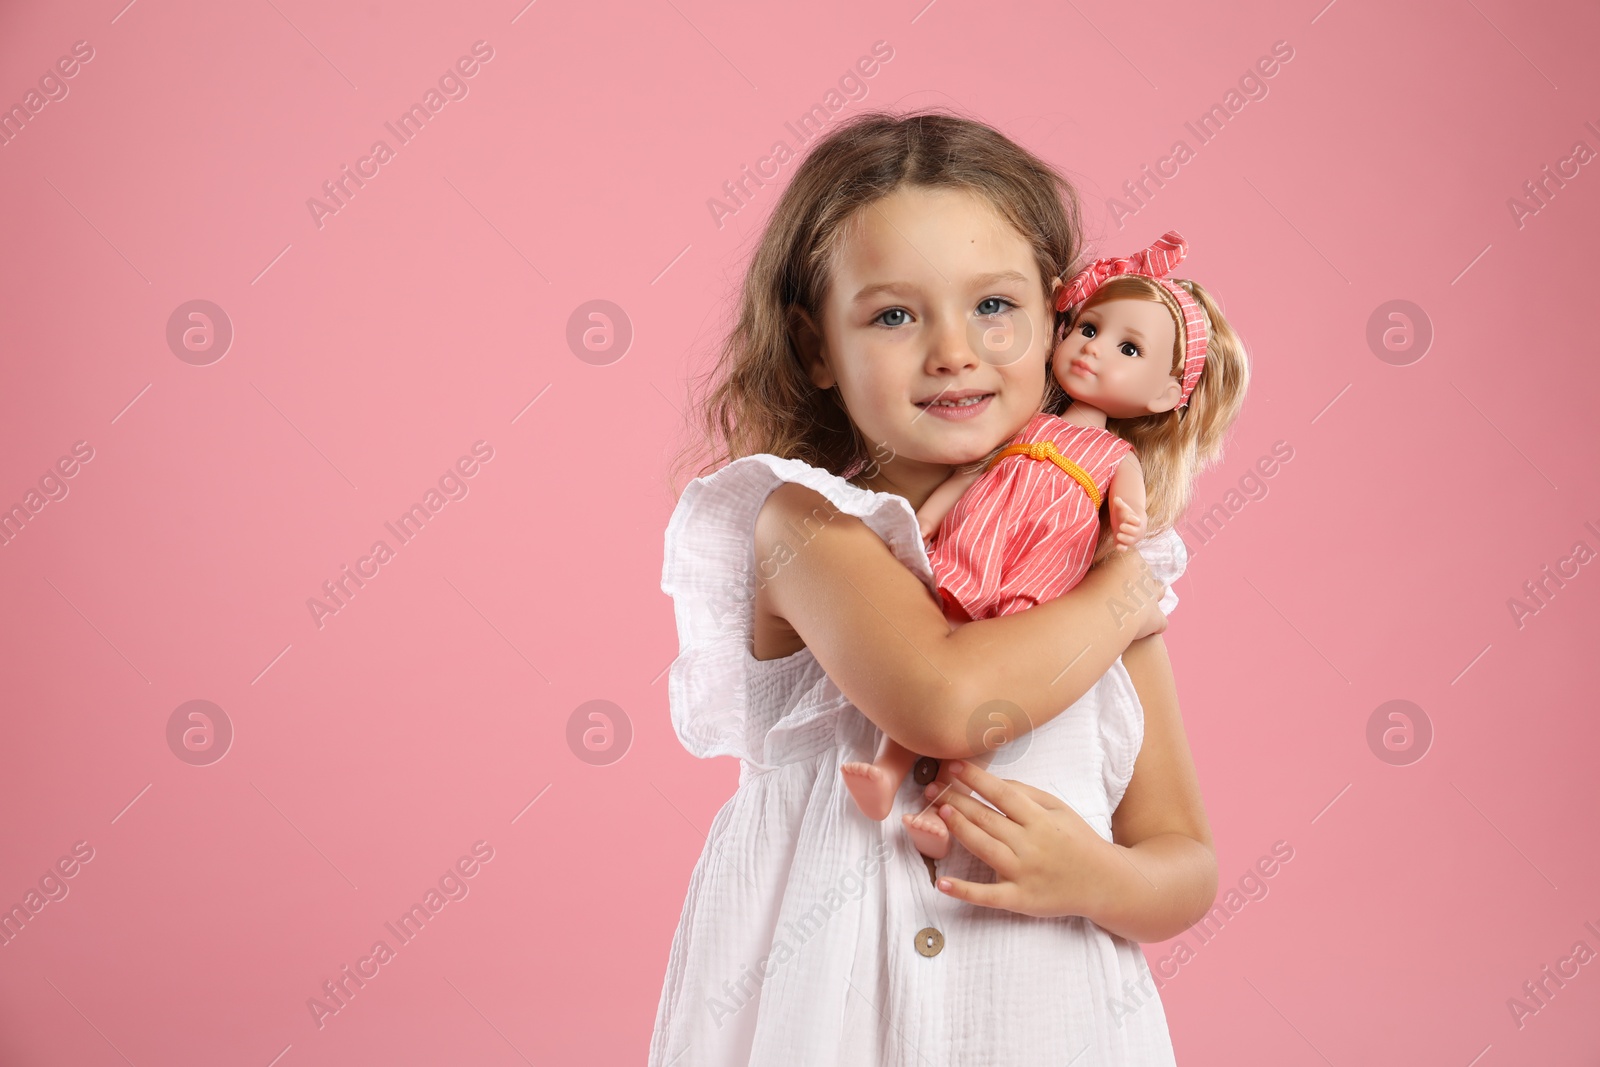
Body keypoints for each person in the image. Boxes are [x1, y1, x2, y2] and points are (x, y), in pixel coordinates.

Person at [653, 110, 1218, 1066]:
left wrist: (1094, 878)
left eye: (994, 307)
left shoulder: (1094, 568)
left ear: (1054, 319)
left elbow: (1182, 858)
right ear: (817, 345)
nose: (954, 351)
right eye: (893, 314)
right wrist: (1124, 599)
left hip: (1046, 1028)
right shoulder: (802, 526)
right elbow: (950, 699)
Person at [842, 230, 1249, 861]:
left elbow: (1127, 510)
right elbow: (968, 477)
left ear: (1166, 396)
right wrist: (922, 525)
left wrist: (1130, 533)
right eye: (1088, 328)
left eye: (1129, 348)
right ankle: (888, 772)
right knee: (950, 627)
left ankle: (945, 811)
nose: (1094, 351)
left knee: (990, 703)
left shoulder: (1113, 454)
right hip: (982, 545)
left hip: (1041, 571)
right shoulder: (1025, 428)